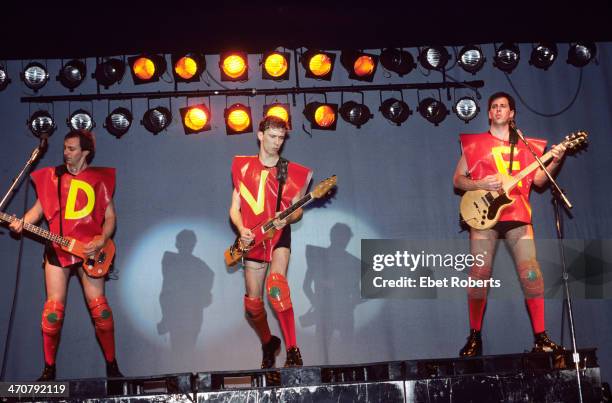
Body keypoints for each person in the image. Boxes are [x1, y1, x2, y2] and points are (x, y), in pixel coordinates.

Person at [452, 92, 567, 356]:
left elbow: (538, 181)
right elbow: (458, 180)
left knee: (531, 272)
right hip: (484, 216)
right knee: (479, 273)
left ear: (512, 113)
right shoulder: (475, 143)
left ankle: (541, 338)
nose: (499, 110)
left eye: (503, 106)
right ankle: (474, 337)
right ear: (489, 114)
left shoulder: (528, 145)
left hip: (517, 215)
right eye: (494, 107)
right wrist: (480, 183)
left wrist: (557, 158)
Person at [9, 130, 123, 380]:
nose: (65, 152)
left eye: (71, 149)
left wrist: (102, 239)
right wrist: (21, 223)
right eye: (64, 148)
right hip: (57, 250)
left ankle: (112, 366)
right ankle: (49, 369)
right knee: (52, 312)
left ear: (85, 152)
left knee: (101, 311)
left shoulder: (99, 179)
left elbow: (111, 217)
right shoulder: (53, 177)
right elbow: (37, 211)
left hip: (90, 251)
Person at [229, 115, 312, 368]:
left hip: (278, 234)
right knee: (253, 305)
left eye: (281, 138)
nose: (277, 142)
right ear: (260, 135)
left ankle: (292, 350)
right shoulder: (242, 167)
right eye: (273, 137)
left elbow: (297, 210)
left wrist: (285, 218)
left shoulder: (291, 171)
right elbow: (234, 207)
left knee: (276, 287)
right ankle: (268, 342)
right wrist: (241, 227)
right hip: (253, 238)